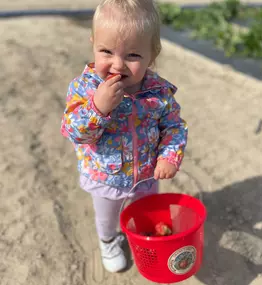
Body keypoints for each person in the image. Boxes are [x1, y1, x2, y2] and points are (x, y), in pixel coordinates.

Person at [61, 0, 188, 273]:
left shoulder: (158, 92)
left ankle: (140, 237)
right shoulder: (84, 89)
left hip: (145, 174)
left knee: (145, 212)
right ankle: (108, 241)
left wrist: (168, 156)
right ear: (93, 43)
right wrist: (98, 107)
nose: (117, 65)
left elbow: (175, 126)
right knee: (107, 217)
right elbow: (73, 131)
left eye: (132, 55)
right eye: (106, 51)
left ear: (151, 56)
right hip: (105, 175)